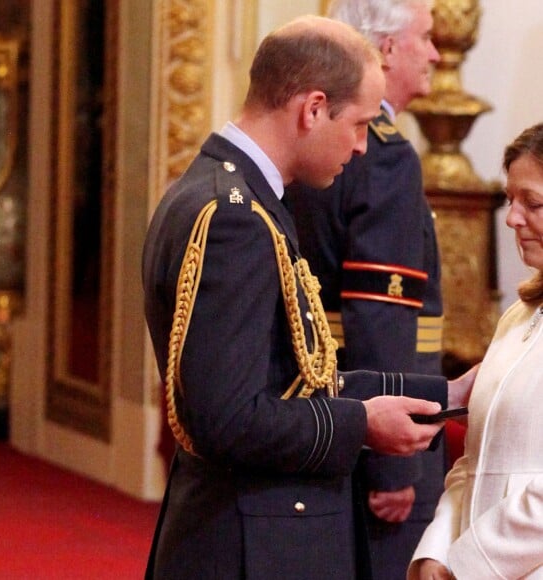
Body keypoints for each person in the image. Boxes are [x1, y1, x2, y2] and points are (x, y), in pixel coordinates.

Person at [142, 15, 473, 580]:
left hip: (255, 526)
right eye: (360, 124)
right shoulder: (234, 219)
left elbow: (294, 376)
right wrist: (360, 426)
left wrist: (443, 391)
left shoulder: (239, 196)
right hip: (251, 540)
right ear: (313, 109)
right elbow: (229, 419)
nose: (363, 146)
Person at [284, 1, 443, 577]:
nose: (435, 54)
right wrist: (394, 466)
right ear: (389, 48)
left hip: (320, 404)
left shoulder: (305, 138)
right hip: (377, 419)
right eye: (425, 38)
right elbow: (382, 318)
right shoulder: (385, 159)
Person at [409, 122, 543, 579]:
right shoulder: (516, 319)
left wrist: (466, 566)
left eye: (533, 203)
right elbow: (474, 458)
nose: (512, 218)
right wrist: (436, 552)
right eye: (510, 199)